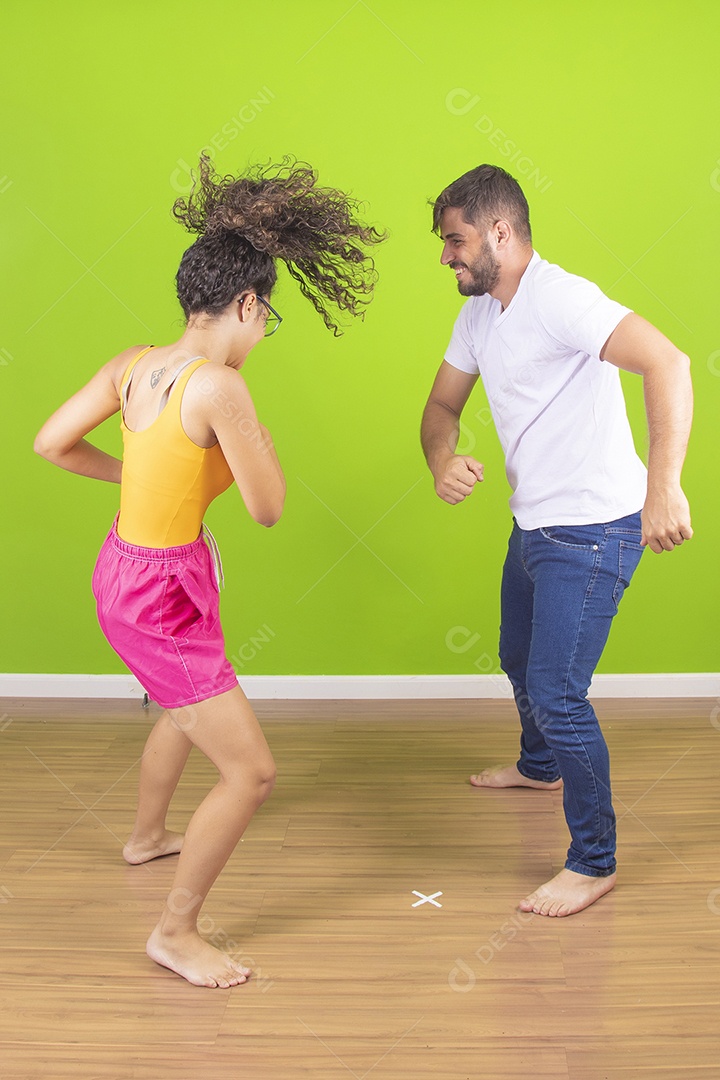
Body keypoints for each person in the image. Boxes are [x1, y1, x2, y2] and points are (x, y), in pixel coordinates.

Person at [35, 155, 384, 986]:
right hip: (163, 596)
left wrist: (142, 475)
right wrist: (246, 435)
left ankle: (147, 836)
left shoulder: (133, 363)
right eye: (266, 320)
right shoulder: (222, 386)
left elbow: (52, 442)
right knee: (252, 770)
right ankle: (176, 933)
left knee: (178, 708)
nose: (263, 334)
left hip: (129, 570)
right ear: (244, 304)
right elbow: (269, 507)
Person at [421, 164, 693, 917]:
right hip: (534, 523)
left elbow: (668, 362)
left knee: (558, 693)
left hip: (597, 529)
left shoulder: (561, 298)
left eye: (455, 239)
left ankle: (593, 859)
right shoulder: (480, 316)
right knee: (516, 658)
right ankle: (539, 766)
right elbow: (441, 405)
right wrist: (442, 457)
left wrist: (663, 487)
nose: (446, 256)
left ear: (500, 233)